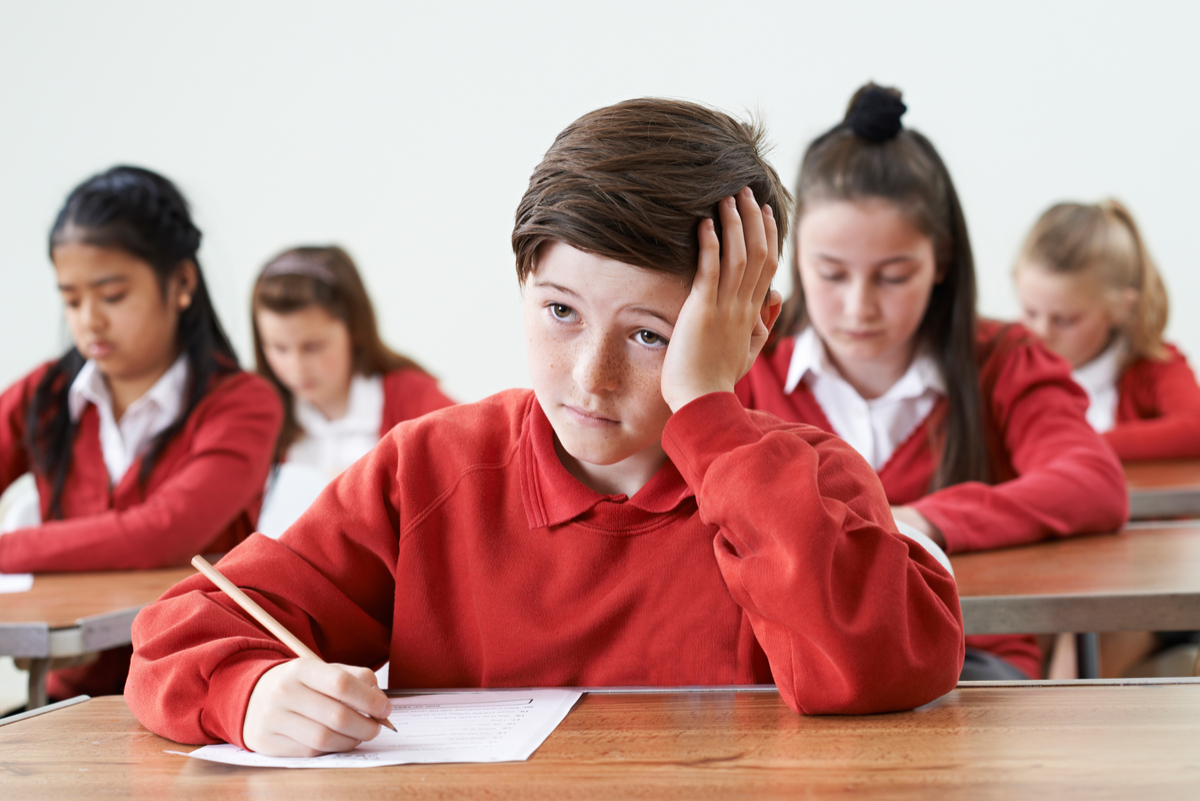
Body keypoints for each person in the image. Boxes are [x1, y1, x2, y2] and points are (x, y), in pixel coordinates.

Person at [127, 98, 964, 758]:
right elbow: (180, 633)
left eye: (650, 335)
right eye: (560, 311)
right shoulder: (427, 471)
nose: (589, 377)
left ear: (750, 328)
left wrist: (708, 411)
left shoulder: (805, 481)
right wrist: (253, 693)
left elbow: (877, 668)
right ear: (523, 284)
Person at [736, 84, 1128, 681]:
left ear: (940, 263)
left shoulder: (1001, 359)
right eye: (831, 273)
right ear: (796, 260)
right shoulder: (745, 364)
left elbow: (1092, 483)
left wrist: (918, 520)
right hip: (793, 666)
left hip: (970, 659)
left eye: (893, 276)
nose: (858, 307)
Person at [0, 165, 282, 698]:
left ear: (180, 284)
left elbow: (163, 531)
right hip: (68, 699)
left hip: (201, 694)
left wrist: (8, 549)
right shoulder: (43, 397)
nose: (90, 321)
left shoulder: (243, 405)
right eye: (72, 299)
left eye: (112, 296)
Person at [251, 247, 454, 537]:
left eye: (313, 347)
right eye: (278, 348)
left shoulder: (413, 398)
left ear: (354, 329)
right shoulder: (258, 417)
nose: (296, 367)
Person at [1014, 200, 1200, 461]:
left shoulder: (1154, 367)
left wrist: (1077, 447)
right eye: (1030, 313)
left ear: (1120, 309)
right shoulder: (1008, 368)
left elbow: (1195, 429)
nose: (1040, 332)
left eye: (1065, 320)